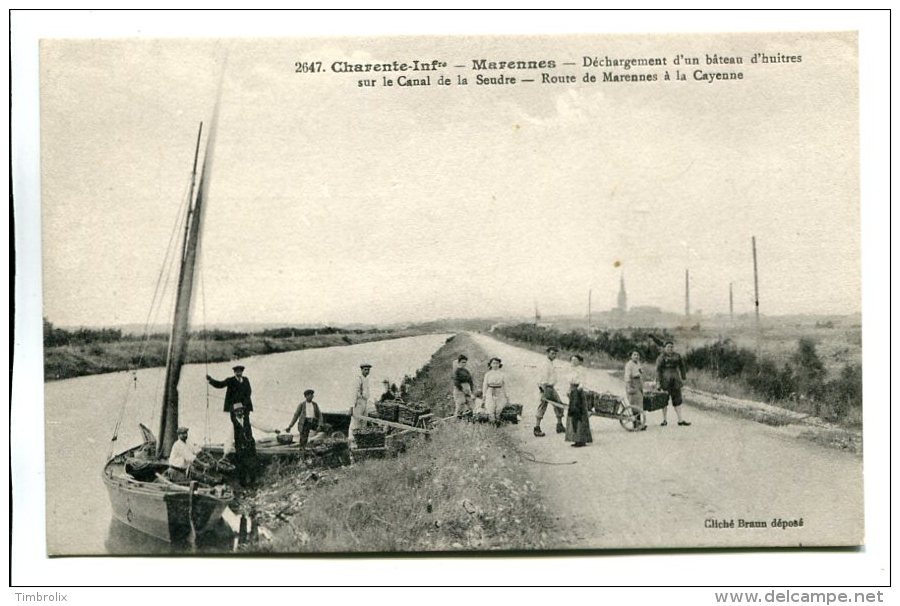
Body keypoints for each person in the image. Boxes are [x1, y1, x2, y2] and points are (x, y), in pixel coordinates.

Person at [207, 365, 254, 439]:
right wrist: (211, 380)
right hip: (234, 409)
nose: (238, 373)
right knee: (237, 426)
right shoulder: (230, 380)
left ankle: (249, 442)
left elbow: (249, 392)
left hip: (245, 407)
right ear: (234, 372)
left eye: (240, 371)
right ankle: (239, 444)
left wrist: (244, 404)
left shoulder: (246, 380)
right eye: (237, 371)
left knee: (247, 425)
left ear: (242, 372)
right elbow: (220, 384)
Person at [655, 341, 691, 426]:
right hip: (665, 381)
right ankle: (664, 420)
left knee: (677, 400)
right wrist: (658, 382)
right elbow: (658, 370)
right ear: (664, 348)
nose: (670, 348)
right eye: (668, 347)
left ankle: (680, 420)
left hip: (675, 381)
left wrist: (683, 376)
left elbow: (682, 366)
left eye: (671, 347)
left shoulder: (677, 356)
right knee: (663, 401)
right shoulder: (661, 357)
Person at [535, 346, 565, 437]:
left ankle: (559, 426)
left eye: (555, 354)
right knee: (542, 406)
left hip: (551, 388)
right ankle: (537, 428)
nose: (554, 355)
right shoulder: (545, 364)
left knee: (559, 405)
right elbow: (544, 378)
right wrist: (544, 391)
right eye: (552, 353)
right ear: (547, 353)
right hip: (546, 388)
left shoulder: (551, 363)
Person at [565, 355, 592, 447]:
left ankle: (581, 439)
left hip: (578, 393)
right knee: (572, 414)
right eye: (572, 360)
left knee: (579, 414)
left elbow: (582, 382)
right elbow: (570, 382)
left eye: (575, 360)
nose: (573, 361)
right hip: (573, 391)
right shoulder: (571, 369)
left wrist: (577, 391)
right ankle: (574, 438)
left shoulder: (581, 370)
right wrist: (569, 390)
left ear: (579, 361)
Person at [229, 402, 258, 486]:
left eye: (241, 410)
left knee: (252, 465)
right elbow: (229, 438)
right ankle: (243, 485)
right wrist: (226, 451)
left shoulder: (248, 419)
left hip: (250, 447)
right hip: (240, 449)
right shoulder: (233, 423)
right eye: (237, 411)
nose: (239, 412)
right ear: (234, 412)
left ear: (243, 410)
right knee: (241, 467)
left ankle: (253, 483)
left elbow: (260, 425)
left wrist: (273, 430)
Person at [348, 362, 372, 446]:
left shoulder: (367, 379)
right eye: (365, 370)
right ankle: (352, 442)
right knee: (355, 422)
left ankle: (361, 442)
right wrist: (351, 407)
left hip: (365, 403)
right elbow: (354, 393)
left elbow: (367, 393)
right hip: (358, 403)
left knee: (364, 422)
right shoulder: (358, 379)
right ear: (361, 370)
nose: (367, 371)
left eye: (368, 370)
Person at [624, 351, 648, 431]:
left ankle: (639, 423)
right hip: (632, 384)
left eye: (638, 355)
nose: (636, 356)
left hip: (638, 384)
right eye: (634, 355)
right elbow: (627, 377)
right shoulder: (629, 365)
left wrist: (641, 372)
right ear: (631, 356)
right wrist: (629, 387)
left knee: (639, 403)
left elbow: (640, 372)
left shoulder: (638, 363)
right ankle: (636, 423)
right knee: (634, 403)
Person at [481, 357, 509, 425]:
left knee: (499, 408)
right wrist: (484, 395)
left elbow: (505, 385)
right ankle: (492, 422)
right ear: (490, 364)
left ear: (499, 364)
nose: (495, 365)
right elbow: (485, 385)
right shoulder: (488, 374)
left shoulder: (502, 374)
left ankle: (498, 421)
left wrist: (507, 395)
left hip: (500, 391)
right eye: (494, 363)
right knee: (490, 407)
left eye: (497, 363)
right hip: (490, 391)